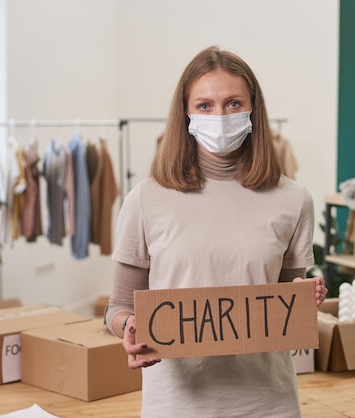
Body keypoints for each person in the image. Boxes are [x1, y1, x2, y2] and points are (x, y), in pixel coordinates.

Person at [105, 45, 327, 418]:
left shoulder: (293, 200)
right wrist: (130, 326)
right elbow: (119, 306)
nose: (220, 116)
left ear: (253, 109)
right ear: (186, 113)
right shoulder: (145, 200)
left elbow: (287, 296)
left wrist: (304, 296)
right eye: (205, 105)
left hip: (268, 402)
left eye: (233, 103)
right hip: (177, 403)